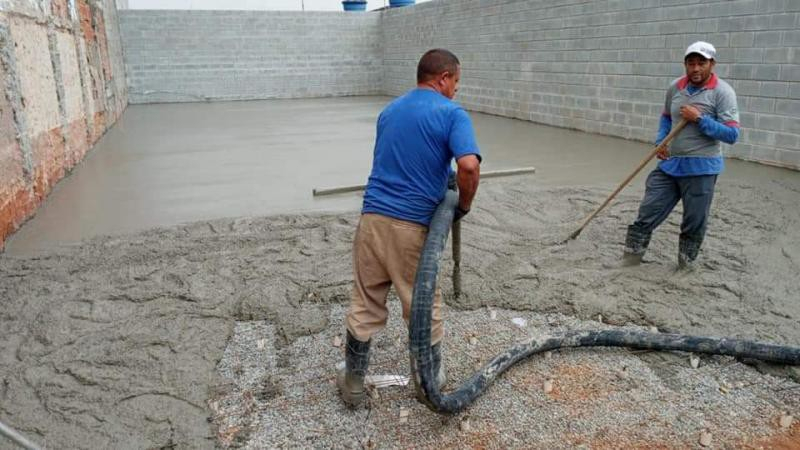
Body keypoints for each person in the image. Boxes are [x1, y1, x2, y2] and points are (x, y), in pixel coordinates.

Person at [336, 49, 481, 408]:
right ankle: (428, 382)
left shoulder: (389, 112)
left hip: (370, 221)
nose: (457, 90)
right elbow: (468, 167)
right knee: (421, 304)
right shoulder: (451, 113)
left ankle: (353, 383)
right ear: (443, 78)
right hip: (409, 227)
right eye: (456, 83)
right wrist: (462, 204)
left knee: (365, 302)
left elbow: (401, 161)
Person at [623, 41, 740, 269]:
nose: (696, 69)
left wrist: (699, 119)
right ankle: (628, 264)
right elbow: (667, 117)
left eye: (701, 63)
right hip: (670, 165)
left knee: (693, 223)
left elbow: (732, 134)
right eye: (691, 63)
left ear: (712, 64)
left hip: (702, 169)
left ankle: (684, 271)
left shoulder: (723, 93)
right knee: (646, 214)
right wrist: (661, 140)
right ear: (685, 64)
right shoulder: (675, 88)